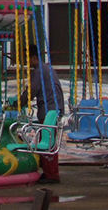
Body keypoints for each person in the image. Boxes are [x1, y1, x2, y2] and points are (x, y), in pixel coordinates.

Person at [19, 45, 64, 184]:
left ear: (34, 57)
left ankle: (52, 174)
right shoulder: (47, 69)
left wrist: (20, 102)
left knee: (47, 141)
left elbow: (32, 90)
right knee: (47, 139)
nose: (27, 64)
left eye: (28, 60)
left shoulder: (39, 71)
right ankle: (48, 171)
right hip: (53, 108)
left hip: (49, 109)